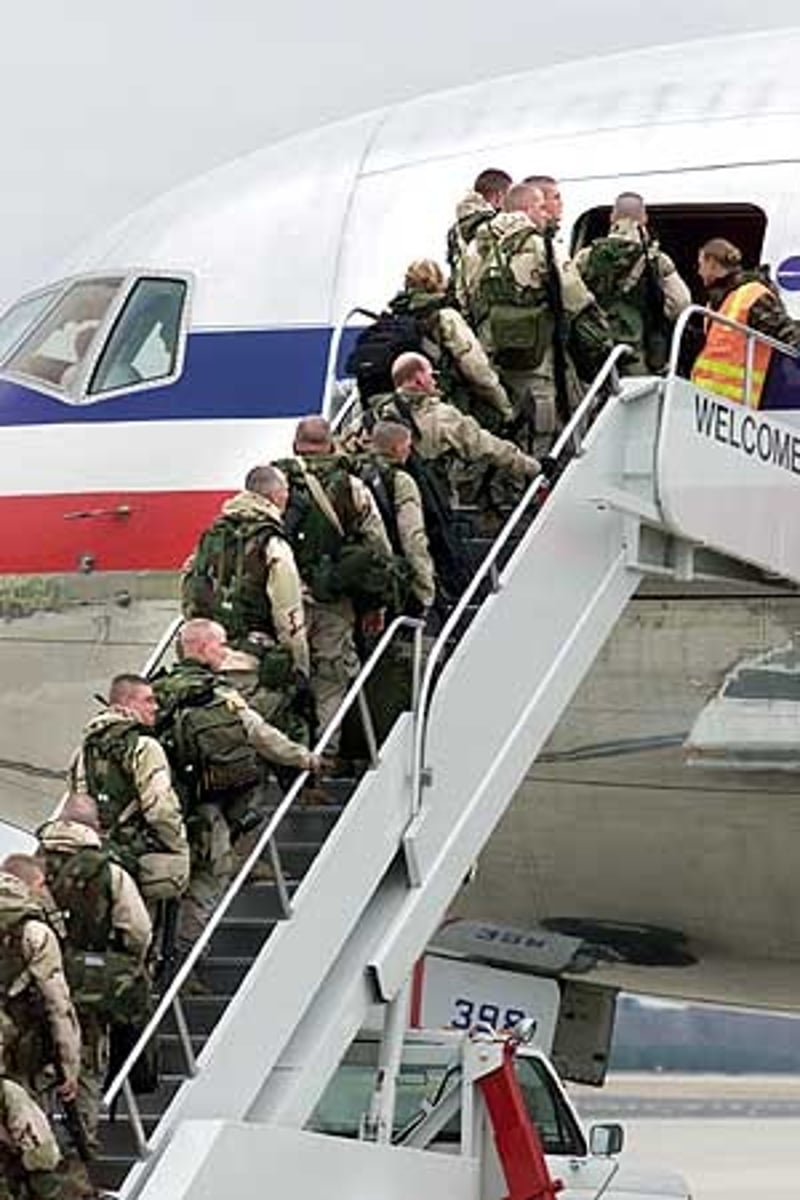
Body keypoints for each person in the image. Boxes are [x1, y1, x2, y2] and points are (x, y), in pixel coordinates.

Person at [153, 619, 318, 947]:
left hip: (165, 806)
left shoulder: (155, 694)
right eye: (221, 644)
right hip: (208, 807)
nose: (226, 651)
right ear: (202, 647)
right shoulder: (218, 693)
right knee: (210, 880)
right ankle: (184, 962)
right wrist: (305, 758)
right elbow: (260, 735)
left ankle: (161, 960)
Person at [38, 793, 152, 1156]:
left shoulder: (34, 863)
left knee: (39, 1065)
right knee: (87, 1065)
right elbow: (138, 930)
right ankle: (81, 1143)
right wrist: (120, 963)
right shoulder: (108, 871)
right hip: (90, 986)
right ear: (94, 827)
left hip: (37, 982)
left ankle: (41, 1140)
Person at [279, 417, 394, 760]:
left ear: (295, 444)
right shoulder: (352, 487)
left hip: (285, 600)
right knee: (331, 681)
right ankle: (325, 758)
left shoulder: (276, 484)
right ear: (331, 444)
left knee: (285, 679)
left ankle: (286, 759)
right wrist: (378, 601)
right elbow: (378, 545)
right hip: (334, 601)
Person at [471, 182, 612, 457]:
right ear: (526, 210)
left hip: (494, 353)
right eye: (539, 207)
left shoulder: (477, 248)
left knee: (509, 421)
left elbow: (468, 298)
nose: (545, 213)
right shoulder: (542, 246)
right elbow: (575, 297)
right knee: (546, 419)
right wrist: (600, 336)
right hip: (539, 354)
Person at [181, 463, 311, 740]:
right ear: (277, 497)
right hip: (251, 658)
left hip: (209, 655)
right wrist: (299, 666)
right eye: (286, 492)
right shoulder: (272, 543)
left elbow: (189, 580)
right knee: (280, 725)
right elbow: (288, 614)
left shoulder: (212, 536)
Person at [68, 675, 190, 906]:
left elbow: (77, 805)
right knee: (178, 872)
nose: (156, 708)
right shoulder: (144, 746)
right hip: (137, 855)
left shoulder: (84, 751)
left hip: (98, 856)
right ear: (126, 702)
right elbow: (160, 808)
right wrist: (178, 846)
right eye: (148, 700)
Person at [376, 352, 540, 498]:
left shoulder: (377, 414)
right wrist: (533, 466)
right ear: (419, 379)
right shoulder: (441, 416)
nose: (435, 380)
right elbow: (486, 446)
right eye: (432, 375)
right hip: (435, 498)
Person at [386, 259, 513, 431]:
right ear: (438, 282)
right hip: (443, 406)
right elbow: (478, 371)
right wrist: (505, 408)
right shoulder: (445, 317)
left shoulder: (396, 315)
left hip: (403, 406)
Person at [575, 191, 691, 375]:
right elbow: (681, 303)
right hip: (636, 352)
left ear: (612, 217)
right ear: (644, 219)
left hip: (593, 350)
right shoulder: (657, 260)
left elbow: (572, 299)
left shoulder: (585, 256)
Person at [0, 856, 80, 1107]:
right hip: (17, 1050)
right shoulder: (35, 933)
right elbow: (58, 1005)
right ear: (27, 886)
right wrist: (70, 1064)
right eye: (41, 885)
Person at [692, 237, 800, 406]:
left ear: (712, 263)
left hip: (738, 408)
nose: (699, 272)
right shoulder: (716, 302)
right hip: (708, 405)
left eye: (700, 265)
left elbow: (789, 335)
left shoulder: (753, 295)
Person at [358, 421, 436, 616]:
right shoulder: (400, 481)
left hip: (360, 570)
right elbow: (412, 537)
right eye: (408, 446)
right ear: (398, 448)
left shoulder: (356, 471)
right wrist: (425, 588)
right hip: (389, 573)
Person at [446, 168, 512, 316]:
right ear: (499, 196)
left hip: (465, 308)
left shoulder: (455, 230)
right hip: (489, 312)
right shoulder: (495, 226)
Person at [0, 1072, 66, 1200]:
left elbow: (44, 1155)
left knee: (41, 1174)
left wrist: (18, 1166)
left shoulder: (10, 1095)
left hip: (20, 1160)